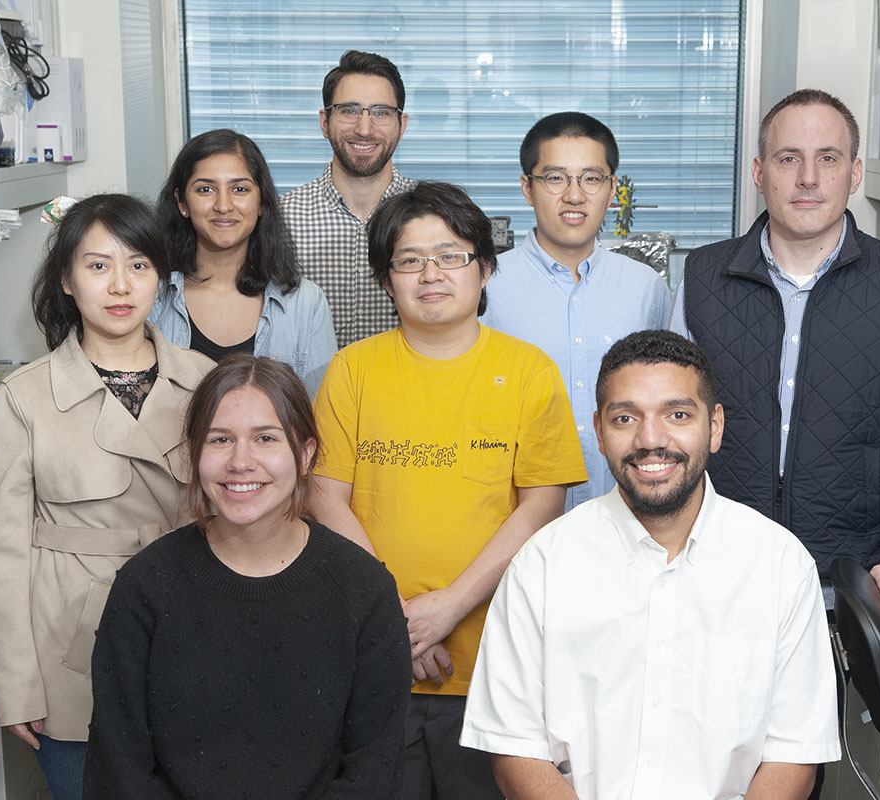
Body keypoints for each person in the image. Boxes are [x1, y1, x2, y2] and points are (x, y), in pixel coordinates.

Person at [461, 330, 840, 800]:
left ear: (715, 427)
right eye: (625, 418)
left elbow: (795, 754)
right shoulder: (541, 564)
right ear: (600, 432)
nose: (650, 439)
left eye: (677, 415)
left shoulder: (780, 565)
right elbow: (513, 750)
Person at [308, 181, 588, 800]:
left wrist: (450, 606)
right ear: (387, 282)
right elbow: (324, 497)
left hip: (494, 666)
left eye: (450, 256)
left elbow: (543, 505)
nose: (430, 274)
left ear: (484, 269)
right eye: (409, 260)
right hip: (373, 660)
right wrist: (394, 619)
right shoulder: (352, 370)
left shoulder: (528, 371)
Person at [669, 88, 880, 614]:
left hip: (852, 583)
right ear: (759, 173)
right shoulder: (701, 278)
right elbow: (670, 432)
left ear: (854, 174)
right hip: (715, 575)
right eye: (789, 159)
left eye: (828, 159)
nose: (808, 178)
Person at [83, 355, 411, 799]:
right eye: (220, 439)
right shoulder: (144, 586)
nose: (241, 462)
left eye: (265, 438)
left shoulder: (365, 590)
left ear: (306, 454)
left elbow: (374, 770)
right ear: (195, 452)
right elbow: (119, 769)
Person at [0, 194, 217, 799]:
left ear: (160, 277)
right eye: (97, 265)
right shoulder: (25, 397)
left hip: (194, 633)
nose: (120, 285)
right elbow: (3, 555)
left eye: (138, 265)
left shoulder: (205, 382)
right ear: (66, 279)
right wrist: (17, 687)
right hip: (72, 649)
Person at [482, 112, 671, 510]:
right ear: (527, 188)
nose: (574, 195)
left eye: (591, 178)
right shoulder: (486, 286)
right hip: (514, 517)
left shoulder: (646, 288)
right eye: (555, 178)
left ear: (612, 188)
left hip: (627, 514)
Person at [151, 128, 336, 396]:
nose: (223, 205)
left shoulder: (306, 303)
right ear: (182, 202)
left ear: (261, 201)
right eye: (205, 189)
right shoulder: (151, 296)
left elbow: (320, 410)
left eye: (239, 189)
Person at [279, 50, 417, 347]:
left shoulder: (429, 216)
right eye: (349, 111)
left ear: (402, 125)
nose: (364, 129)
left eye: (381, 112)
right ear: (324, 122)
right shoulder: (282, 218)